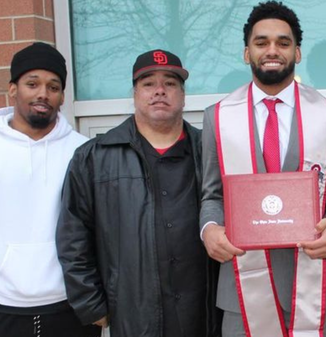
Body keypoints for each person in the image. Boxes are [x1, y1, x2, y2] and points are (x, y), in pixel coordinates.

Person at [200, 2, 326, 336]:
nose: (272, 50)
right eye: (261, 42)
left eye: (283, 43)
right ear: (246, 52)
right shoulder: (218, 117)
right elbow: (211, 194)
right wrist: (209, 228)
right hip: (242, 291)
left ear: (297, 53)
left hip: (313, 287)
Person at [56, 49, 220, 337]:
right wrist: (91, 304)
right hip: (134, 314)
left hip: (204, 312)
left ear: (183, 95)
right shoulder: (95, 157)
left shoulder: (208, 152)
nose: (159, 91)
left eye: (170, 83)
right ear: (134, 93)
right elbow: (73, 237)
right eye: (148, 83)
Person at [0, 43, 98, 337]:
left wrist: (94, 303)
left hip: (70, 311)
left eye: (53, 86)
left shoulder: (82, 152)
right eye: (32, 84)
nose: (42, 94)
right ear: (13, 89)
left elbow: (98, 230)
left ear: (62, 97)